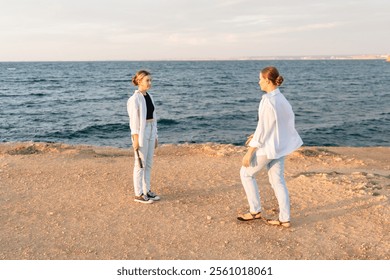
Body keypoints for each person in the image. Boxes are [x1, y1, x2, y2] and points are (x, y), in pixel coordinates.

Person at [237, 66, 303, 227]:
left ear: (267, 81)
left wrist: (250, 151)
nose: (258, 82)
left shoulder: (267, 100)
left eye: (260, 79)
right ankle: (284, 219)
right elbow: (280, 123)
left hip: (268, 148)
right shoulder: (282, 99)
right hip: (280, 147)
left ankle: (255, 211)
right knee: (277, 181)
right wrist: (257, 135)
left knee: (246, 174)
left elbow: (264, 127)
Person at [127, 70, 160, 203]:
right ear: (139, 81)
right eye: (147, 80)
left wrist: (155, 135)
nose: (150, 83)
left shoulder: (149, 96)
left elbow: (154, 117)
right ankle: (139, 194)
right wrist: (135, 137)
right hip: (141, 132)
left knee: (149, 163)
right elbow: (134, 120)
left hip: (151, 130)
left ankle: (147, 190)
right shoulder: (134, 99)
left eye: (150, 80)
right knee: (140, 164)